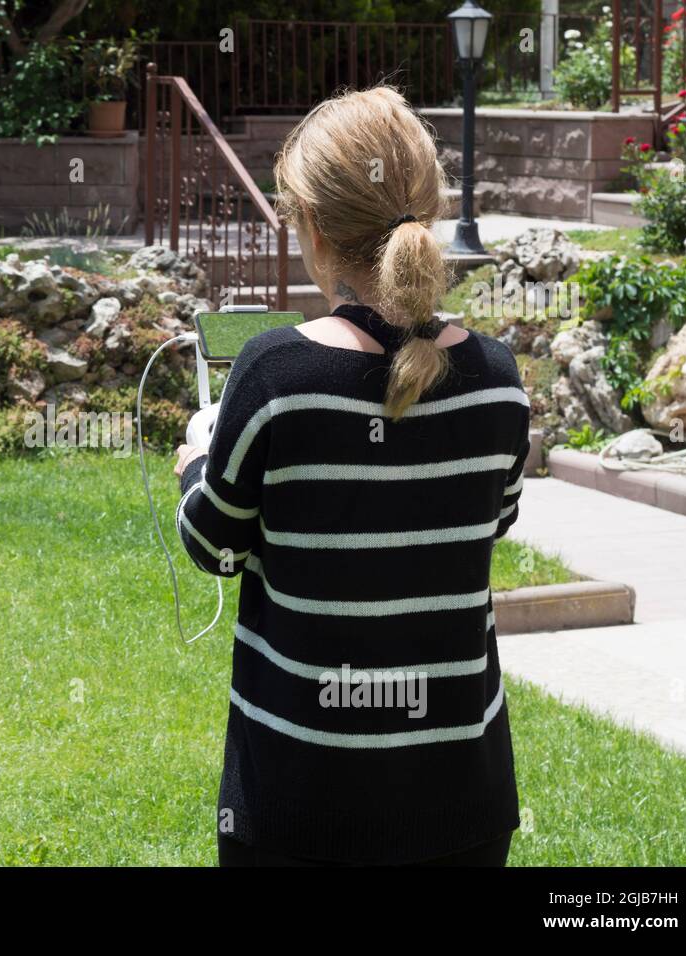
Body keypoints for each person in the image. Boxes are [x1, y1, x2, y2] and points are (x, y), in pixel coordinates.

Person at [173, 86, 530, 867]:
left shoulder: (273, 375)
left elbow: (215, 546)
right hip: (462, 800)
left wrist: (198, 458)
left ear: (313, 227)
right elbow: (492, 519)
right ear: (428, 212)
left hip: (301, 800)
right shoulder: (500, 379)